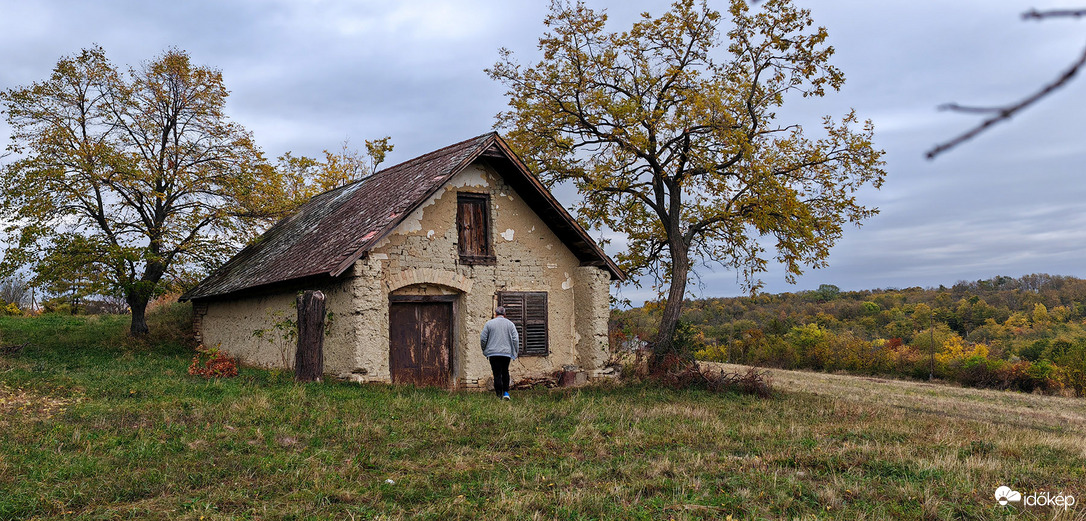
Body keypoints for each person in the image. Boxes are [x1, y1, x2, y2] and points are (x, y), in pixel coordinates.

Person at [480, 305, 519, 400]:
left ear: (495, 314)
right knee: (505, 372)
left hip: (493, 353)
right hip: (506, 353)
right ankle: (506, 393)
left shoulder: (489, 324)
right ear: (504, 314)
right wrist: (515, 352)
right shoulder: (510, 324)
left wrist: (484, 350)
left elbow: (483, 339)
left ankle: (499, 395)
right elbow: (515, 339)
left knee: (497, 373)